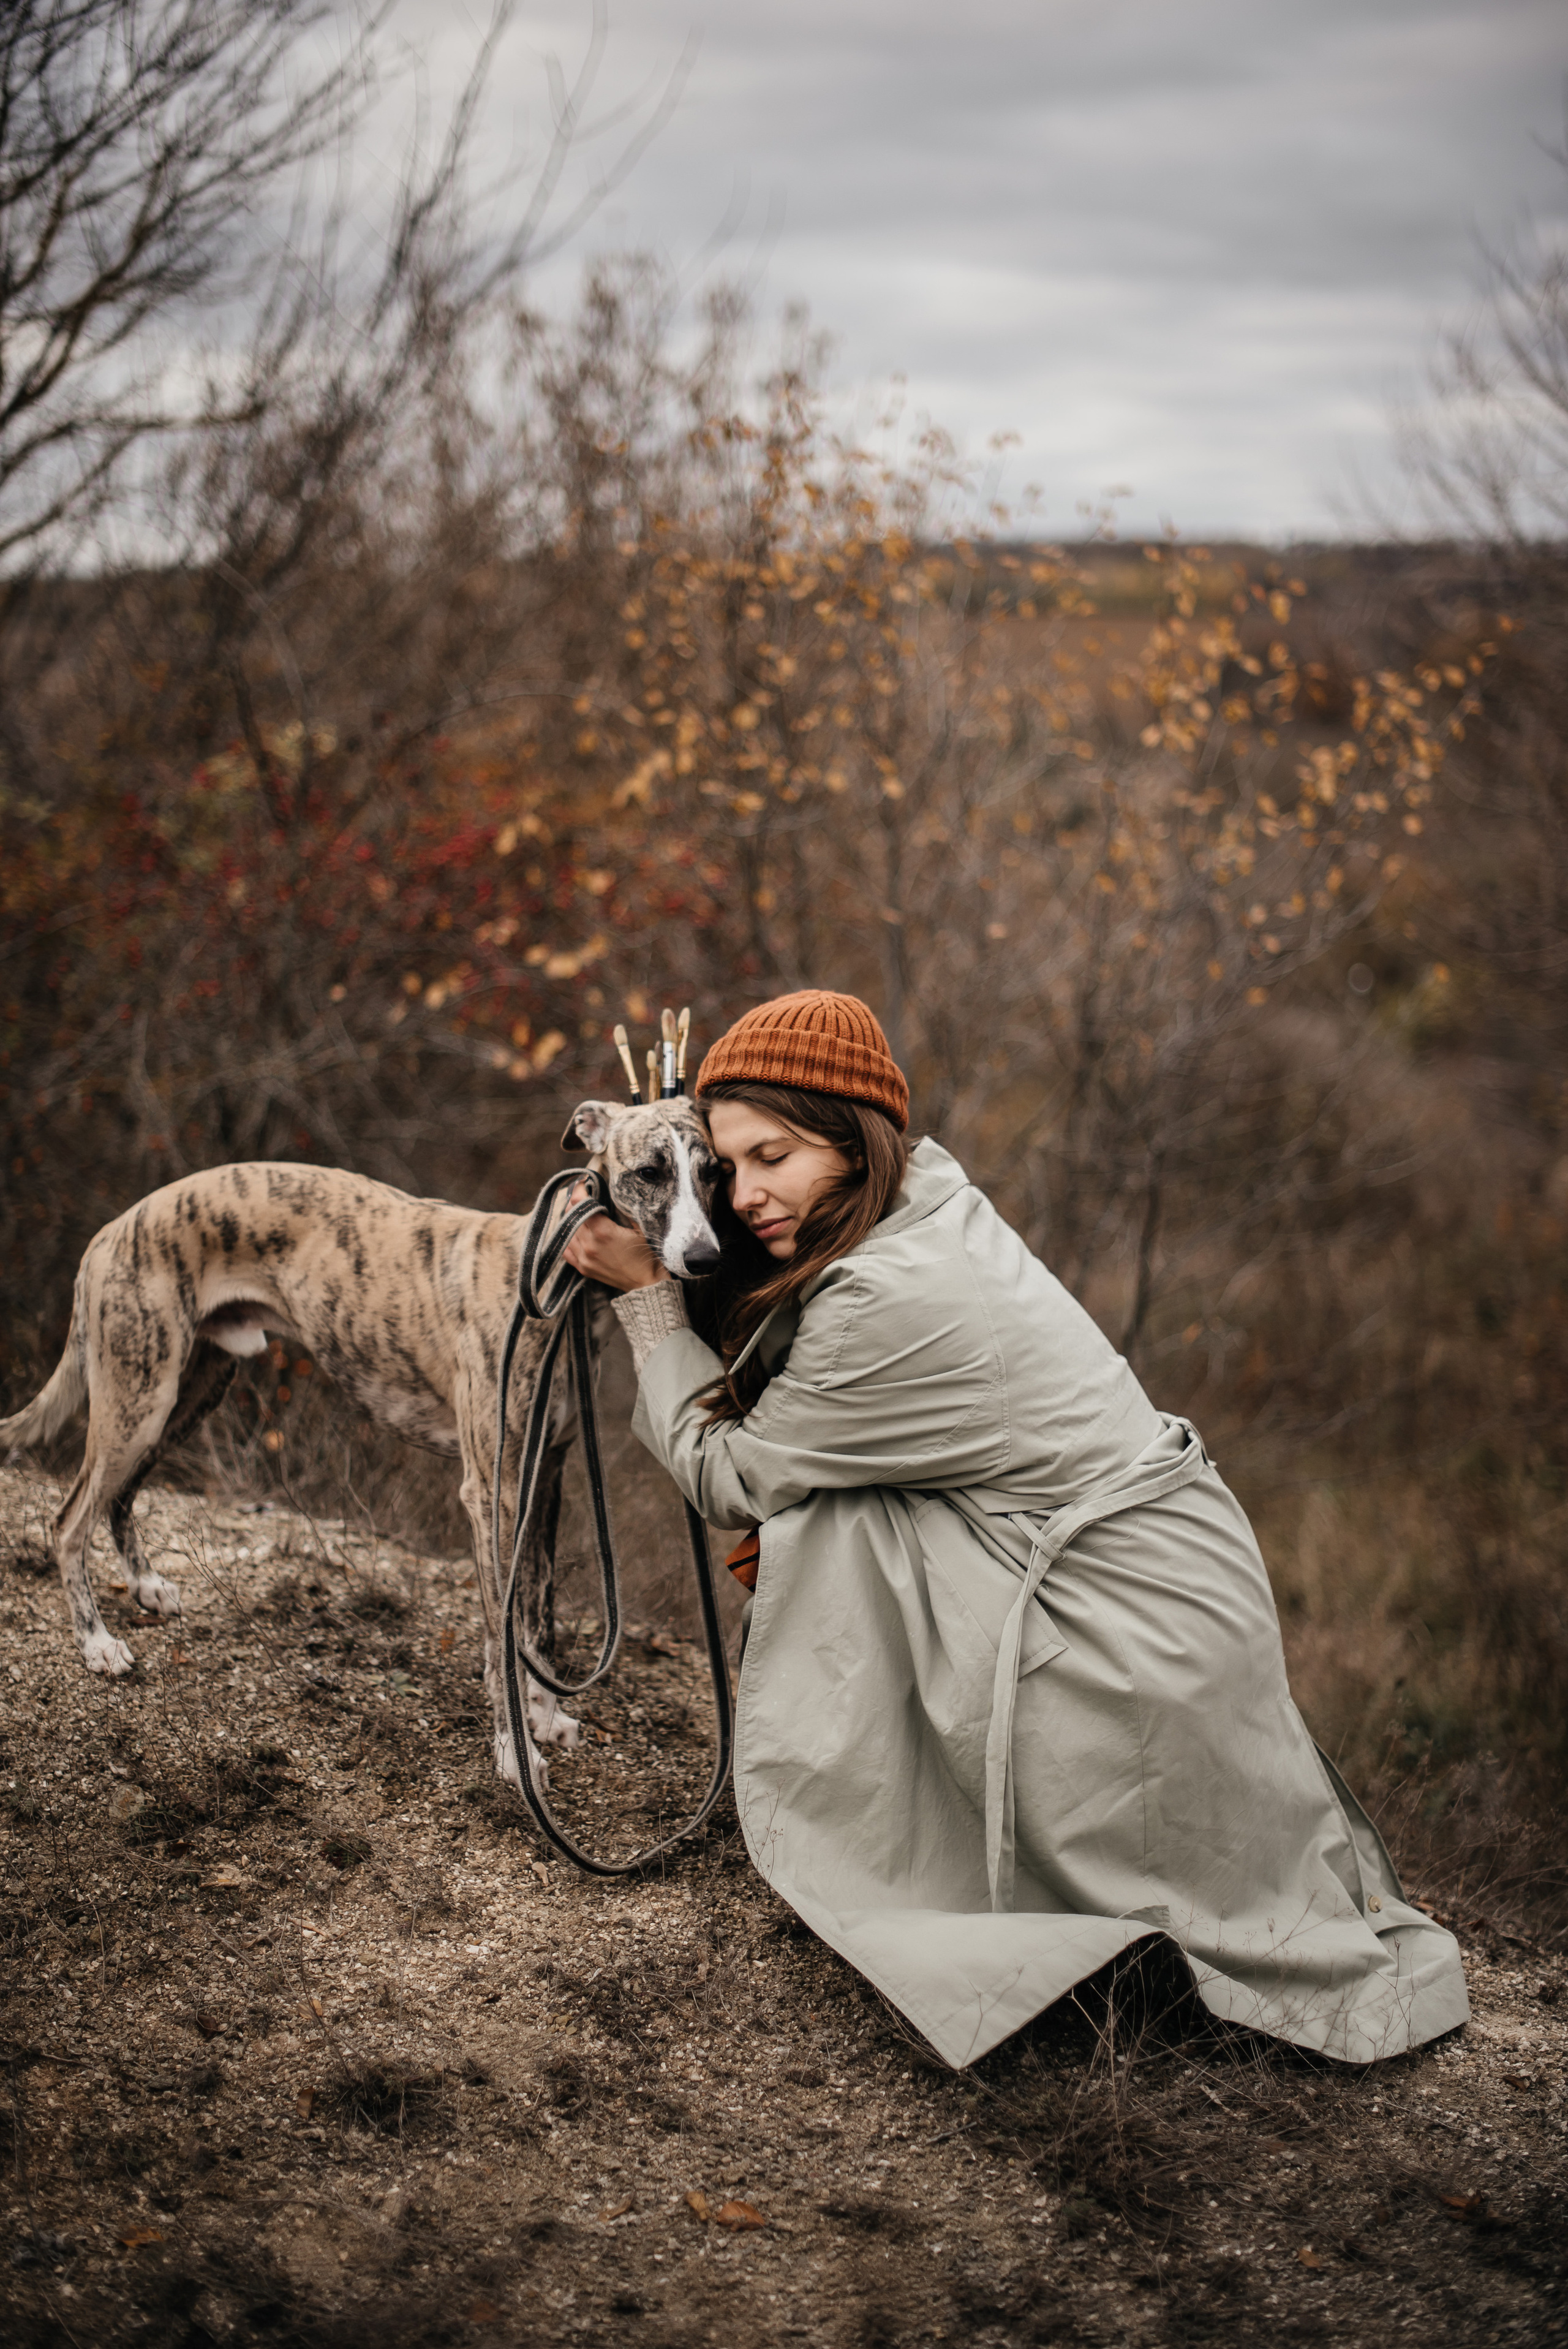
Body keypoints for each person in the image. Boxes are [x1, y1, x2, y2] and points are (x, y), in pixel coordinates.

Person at [564, 989, 1468, 2068]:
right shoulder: (923, 1198)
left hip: (1129, 1640)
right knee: (837, 1506)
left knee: (817, 1518)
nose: (746, 1193)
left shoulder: (894, 1294)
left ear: (854, 1141)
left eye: (774, 1156)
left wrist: (646, 1301)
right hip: (1163, 1584)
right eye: (726, 1168)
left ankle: (946, 1857)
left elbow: (732, 1475)